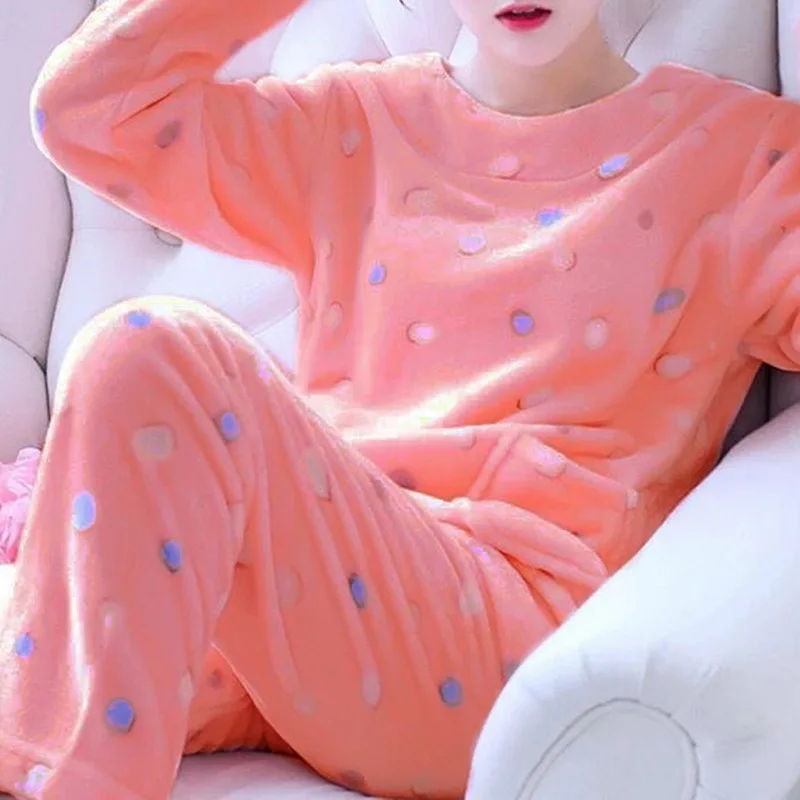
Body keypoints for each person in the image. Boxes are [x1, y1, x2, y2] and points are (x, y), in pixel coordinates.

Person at [2, 0, 800, 797]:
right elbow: (86, 111)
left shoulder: (738, 161)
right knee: (45, 648)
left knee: (144, 350)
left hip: (503, 650)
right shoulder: (357, 124)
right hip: (306, 611)